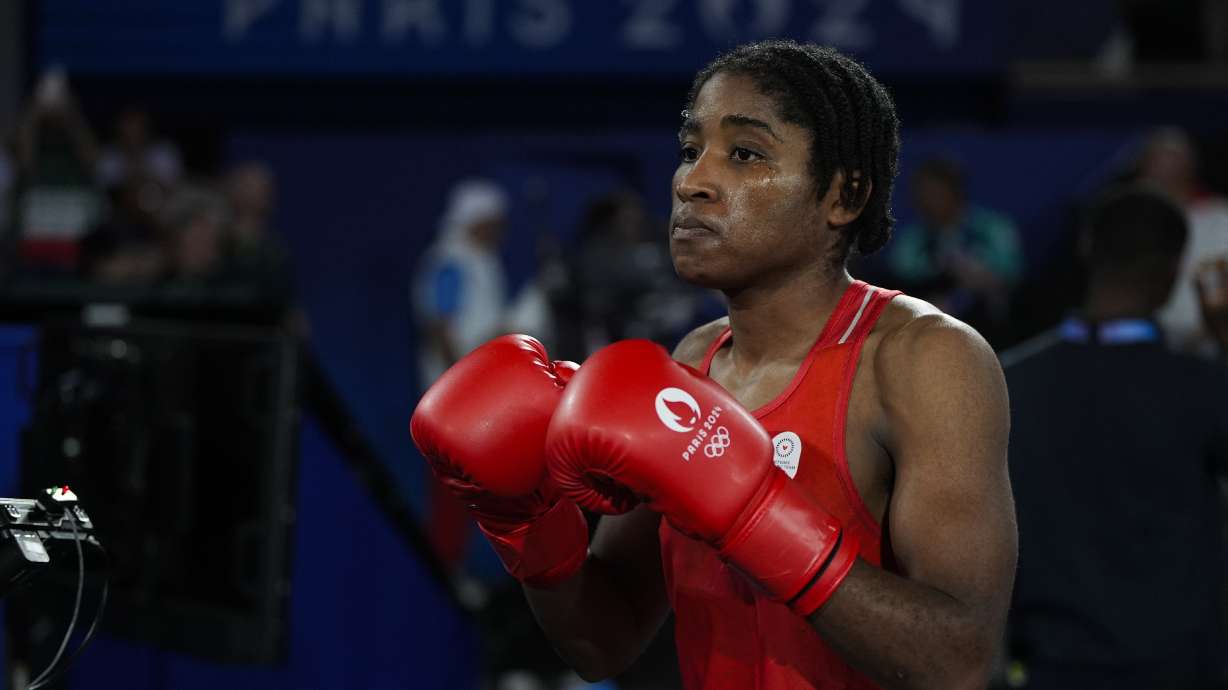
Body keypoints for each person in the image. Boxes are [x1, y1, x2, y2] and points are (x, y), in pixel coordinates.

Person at [412, 40, 1017, 689]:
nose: (691, 181)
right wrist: (529, 526)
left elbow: (960, 660)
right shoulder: (691, 366)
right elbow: (604, 641)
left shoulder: (925, 358)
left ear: (844, 194)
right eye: (689, 149)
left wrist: (756, 520)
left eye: (746, 154)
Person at [1003, 186, 1227, 690]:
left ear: (1086, 248)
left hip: (1049, 667)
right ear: (1174, 274)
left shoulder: (1005, 383)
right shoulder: (1202, 387)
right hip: (1179, 669)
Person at [887, 157, 1023, 343]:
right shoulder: (913, 238)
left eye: (935, 192)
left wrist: (969, 271)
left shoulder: (991, 227)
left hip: (986, 318)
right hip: (928, 318)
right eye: (923, 193)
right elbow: (903, 272)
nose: (927, 200)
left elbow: (1010, 271)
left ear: (955, 191)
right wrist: (942, 266)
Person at [1141, 128, 1228, 356]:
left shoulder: (1220, 217)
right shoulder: (1135, 224)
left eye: (1172, 160)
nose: (1163, 171)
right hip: (1147, 351)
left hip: (1210, 351)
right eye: (1154, 162)